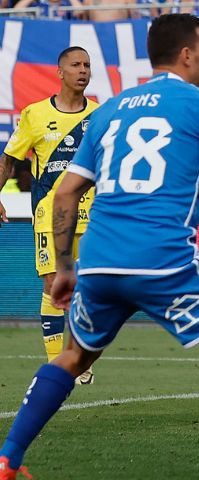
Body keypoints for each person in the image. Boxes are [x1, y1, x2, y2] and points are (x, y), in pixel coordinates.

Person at [0, 14, 199, 480]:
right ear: (186, 55)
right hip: (164, 262)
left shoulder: (108, 111)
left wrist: (66, 265)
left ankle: (7, 459)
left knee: (73, 357)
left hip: (101, 263)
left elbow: (64, 193)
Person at [0, 48, 98, 378]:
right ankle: (57, 362)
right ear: (60, 72)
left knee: (91, 287)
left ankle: (79, 353)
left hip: (92, 215)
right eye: (76, 65)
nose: (83, 70)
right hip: (49, 214)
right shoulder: (35, 115)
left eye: (87, 65)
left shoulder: (99, 116)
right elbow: (10, 158)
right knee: (53, 283)